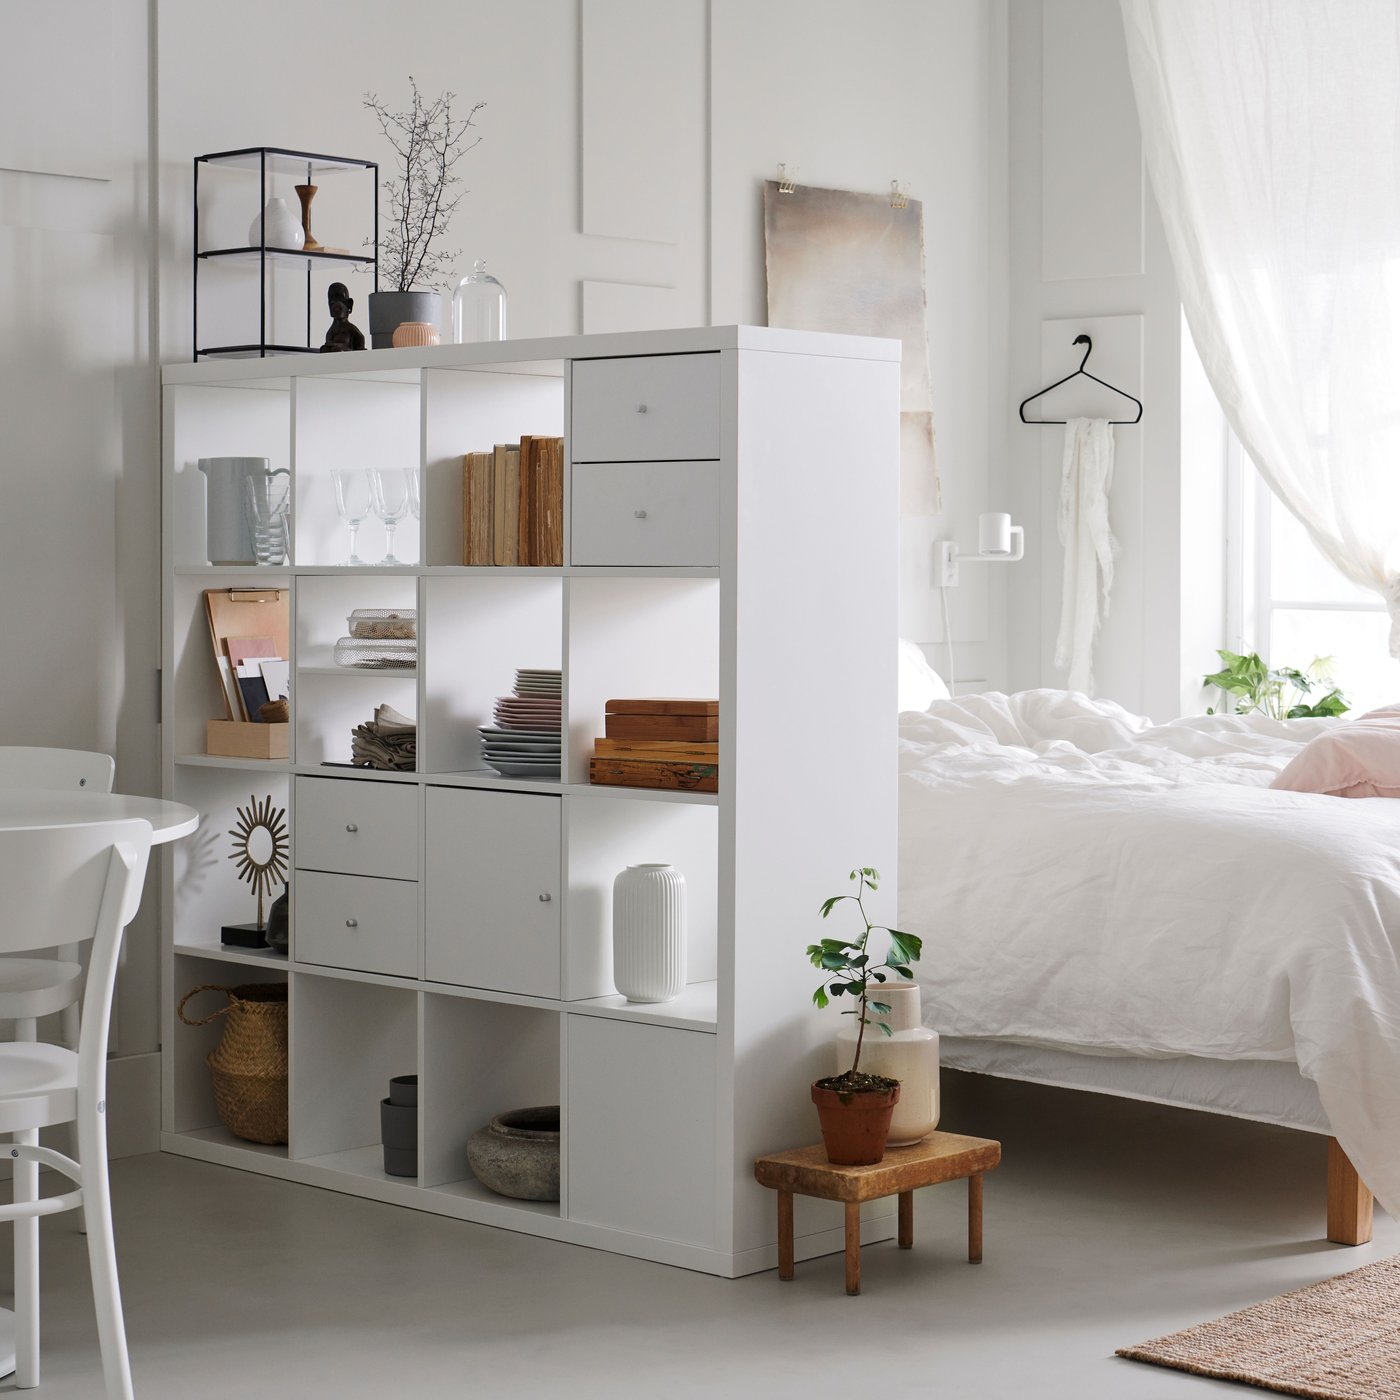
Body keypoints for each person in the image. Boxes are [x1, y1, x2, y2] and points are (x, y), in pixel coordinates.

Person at [320, 282, 365, 353]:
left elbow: (361, 354)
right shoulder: (330, 332)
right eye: (331, 298)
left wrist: (341, 349)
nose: (333, 301)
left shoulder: (352, 330)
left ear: (349, 303)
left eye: (339, 297)